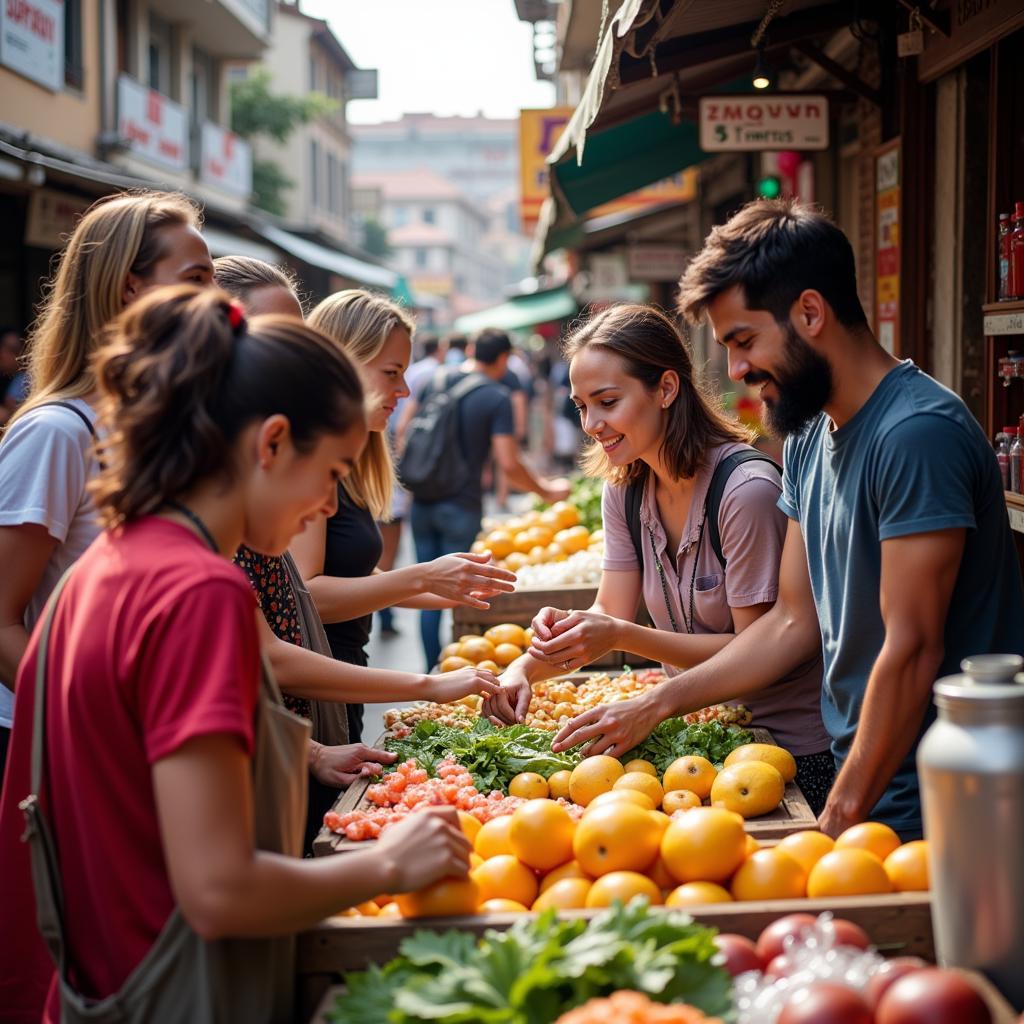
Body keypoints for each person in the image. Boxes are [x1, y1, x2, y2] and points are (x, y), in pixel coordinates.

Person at [0, 286, 473, 1024]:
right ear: (273, 442)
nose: (327, 504)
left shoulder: (103, 568)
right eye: (333, 472)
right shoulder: (200, 595)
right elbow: (219, 891)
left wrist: (308, 755)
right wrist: (390, 863)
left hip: (100, 988)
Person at [547, 199, 1024, 840]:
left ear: (809, 312)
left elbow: (912, 650)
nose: (737, 370)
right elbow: (793, 622)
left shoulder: (916, 436)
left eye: (744, 341)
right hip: (859, 771)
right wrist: (659, 700)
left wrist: (839, 816)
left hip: (941, 791)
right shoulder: (805, 434)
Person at [486, 304, 832, 811]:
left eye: (607, 401)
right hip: (697, 740)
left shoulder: (745, 492)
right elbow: (611, 610)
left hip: (782, 758)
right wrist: (526, 667)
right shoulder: (625, 488)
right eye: (581, 406)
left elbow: (754, 652)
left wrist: (624, 639)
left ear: (666, 389)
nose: (592, 424)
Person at [214, 258, 498, 850]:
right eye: (392, 372)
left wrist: (440, 587)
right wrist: (424, 678)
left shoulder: (213, 539)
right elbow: (293, 621)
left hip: (308, 717)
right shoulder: (199, 558)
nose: (403, 390)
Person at [0, 190, 213, 784]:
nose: (214, 300)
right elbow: (1, 621)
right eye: (196, 278)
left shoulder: (155, 430)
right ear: (128, 287)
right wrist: (95, 724)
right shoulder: (57, 433)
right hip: (62, 754)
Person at [296, 291, 517, 739]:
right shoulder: (309, 458)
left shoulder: (354, 459)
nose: (404, 390)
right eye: (391, 373)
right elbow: (306, 593)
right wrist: (423, 579)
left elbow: (355, 571)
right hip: (314, 702)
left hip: (343, 687)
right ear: (342, 364)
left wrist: (450, 591)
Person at [400, 326, 571, 670]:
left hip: (422, 500)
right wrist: (546, 490)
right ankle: (451, 670)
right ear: (505, 358)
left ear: (473, 350)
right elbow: (509, 462)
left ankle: (431, 668)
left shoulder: (436, 379)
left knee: (427, 586)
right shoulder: (496, 397)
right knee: (458, 593)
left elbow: (404, 428)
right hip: (460, 506)